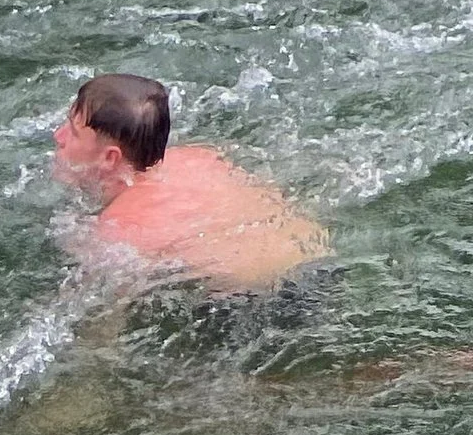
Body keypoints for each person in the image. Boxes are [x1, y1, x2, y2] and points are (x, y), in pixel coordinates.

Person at [54, 73, 329, 292]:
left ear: (109, 158)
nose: (59, 136)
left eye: (74, 132)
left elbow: (103, 317)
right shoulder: (196, 158)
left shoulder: (119, 227)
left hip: (260, 296)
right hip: (316, 269)